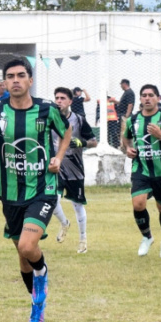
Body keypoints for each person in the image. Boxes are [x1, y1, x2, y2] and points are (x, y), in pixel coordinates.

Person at [0, 59, 71, 322]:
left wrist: (59, 157)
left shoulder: (46, 109)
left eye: (21, 75)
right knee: (22, 254)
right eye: (10, 76)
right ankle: (37, 305)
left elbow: (66, 132)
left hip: (43, 188)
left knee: (27, 247)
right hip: (9, 194)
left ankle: (42, 273)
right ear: (4, 83)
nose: (15, 80)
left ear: (30, 80)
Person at [123, 85, 161, 259]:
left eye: (151, 95)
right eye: (144, 95)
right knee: (138, 204)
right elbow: (126, 138)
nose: (147, 98)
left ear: (158, 98)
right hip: (140, 169)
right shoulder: (133, 119)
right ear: (140, 99)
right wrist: (128, 148)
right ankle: (147, 237)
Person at [51, 87, 97, 255]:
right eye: (57, 98)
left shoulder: (78, 119)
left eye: (63, 98)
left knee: (77, 205)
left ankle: (83, 240)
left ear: (70, 101)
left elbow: (94, 141)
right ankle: (64, 223)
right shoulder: (49, 119)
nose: (59, 101)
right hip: (55, 168)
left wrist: (81, 143)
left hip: (74, 169)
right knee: (51, 201)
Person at [108, 79, 135, 148]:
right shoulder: (126, 92)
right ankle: (123, 146)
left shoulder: (129, 92)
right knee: (120, 131)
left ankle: (126, 147)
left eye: (121, 84)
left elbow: (130, 104)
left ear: (124, 84)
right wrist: (114, 101)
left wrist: (127, 115)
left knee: (124, 132)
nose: (120, 86)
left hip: (125, 116)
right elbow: (122, 103)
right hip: (122, 115)